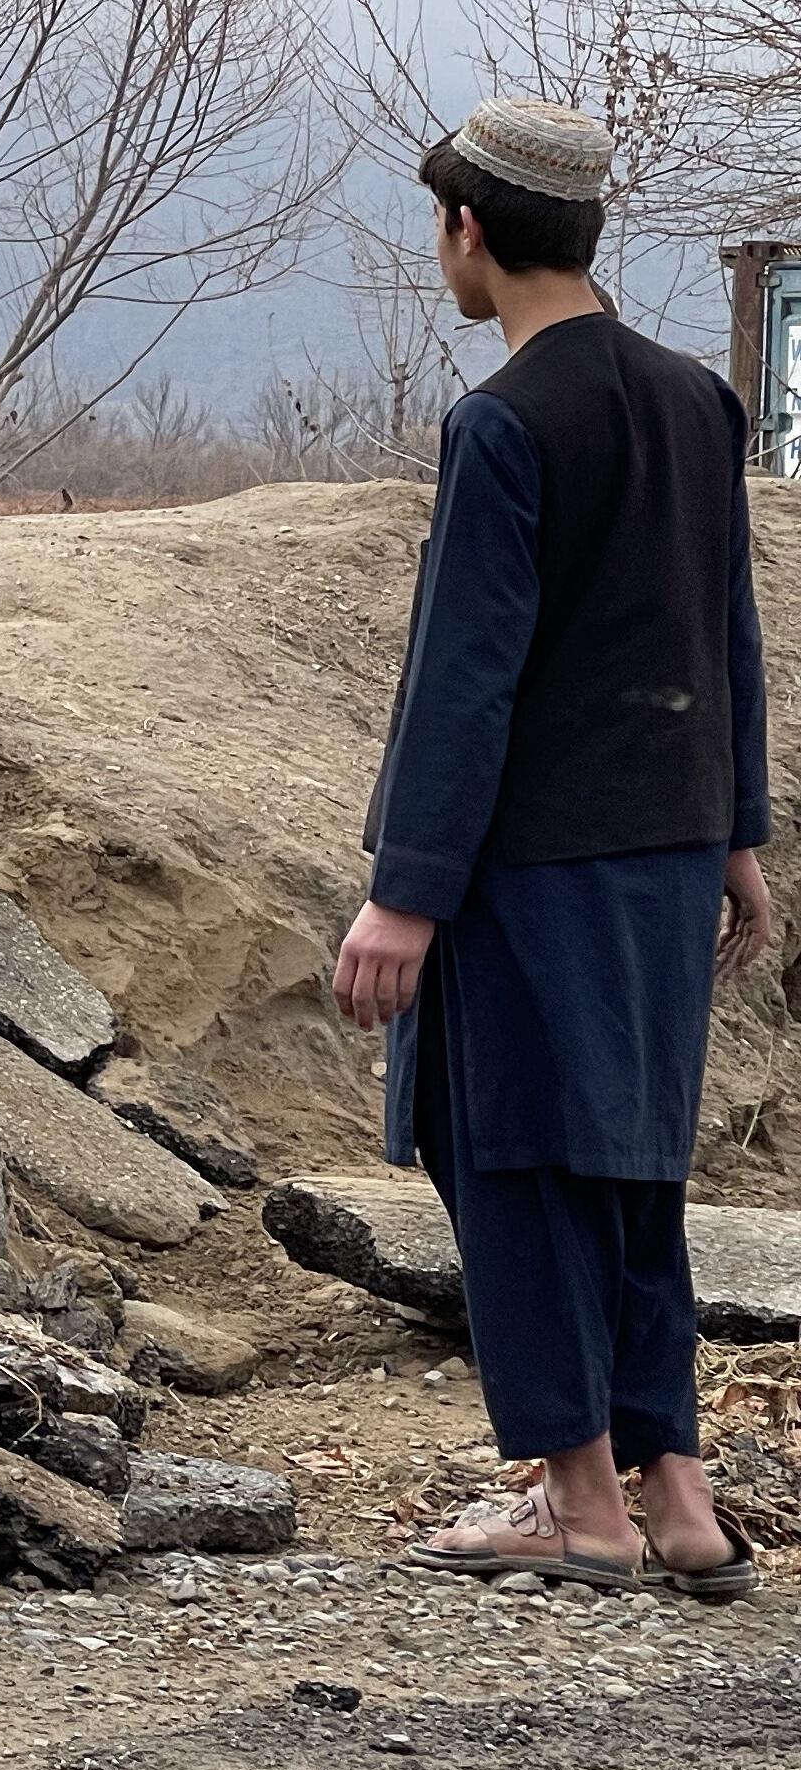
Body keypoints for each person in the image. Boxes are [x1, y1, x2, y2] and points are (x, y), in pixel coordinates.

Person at [331, 97, 772, 1596]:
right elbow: (726, 633)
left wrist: (405, 893)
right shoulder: (698, 401)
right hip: (662, 855)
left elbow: (468, 676)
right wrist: (737, 837)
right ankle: (684, 1500)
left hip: (533, 868)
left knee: (512, 1158)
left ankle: (579, 1501)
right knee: (632, 1170)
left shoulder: (506, 422)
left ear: (470, 230)